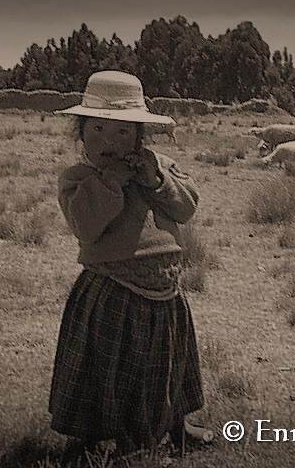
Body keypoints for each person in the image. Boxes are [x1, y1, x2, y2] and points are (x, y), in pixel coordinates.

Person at [48, 70, 206, 458]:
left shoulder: (160, 167)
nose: (109, 143)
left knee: (167, 365)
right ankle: (88, 438)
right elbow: (85, 226)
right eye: (97, 130)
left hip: (166, 290)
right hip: (111, 290)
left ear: (139, 136)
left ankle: (176, 424)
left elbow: (185, 208)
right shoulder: (79, 178)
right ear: (80, 133)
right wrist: (110, 183)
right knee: (102, 370)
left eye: (122, 133)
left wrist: (156, 181)